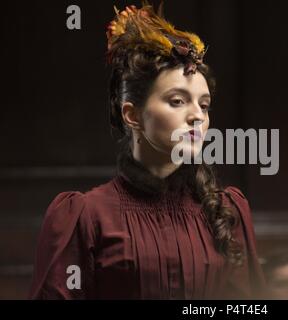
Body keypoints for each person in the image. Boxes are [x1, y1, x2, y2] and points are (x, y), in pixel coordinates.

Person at [29, 1, 265, 299]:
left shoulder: (228, 210)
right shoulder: (86, 216)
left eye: (204, 105)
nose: (197, 116)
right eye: (177, 101)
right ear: (132, 114)